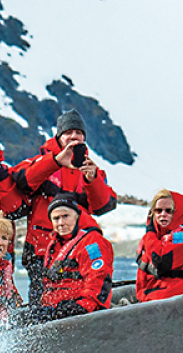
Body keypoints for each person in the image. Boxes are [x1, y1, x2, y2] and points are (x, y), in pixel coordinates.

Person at [11, 108, 117, 301]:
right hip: (42, 249)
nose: (73, 136)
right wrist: (56, 162)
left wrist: (92, 180)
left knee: (79, 297)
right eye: (68, 133)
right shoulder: (40, 162)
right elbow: (20, 181)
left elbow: (104, 206)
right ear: (59, 137)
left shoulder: (92, 170)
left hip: (79, 249)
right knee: (41, 302)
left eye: (78, 133)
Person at [21, 193, 114, 324]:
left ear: (77, 216)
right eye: (56, 218)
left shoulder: (92, 243)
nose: (61, 223)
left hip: (79, 312)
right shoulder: (53, 244)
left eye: (66, 216)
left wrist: (82, 307)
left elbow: (98, 278)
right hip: (54, 310)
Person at [136, 190, 183, 302]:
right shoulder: (155, 238)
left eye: (168, 211)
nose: (163, 214)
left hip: (180, 296)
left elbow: (161, 261)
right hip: (154, 295)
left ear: (177, 212)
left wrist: (150, 233)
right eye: (158, 210)